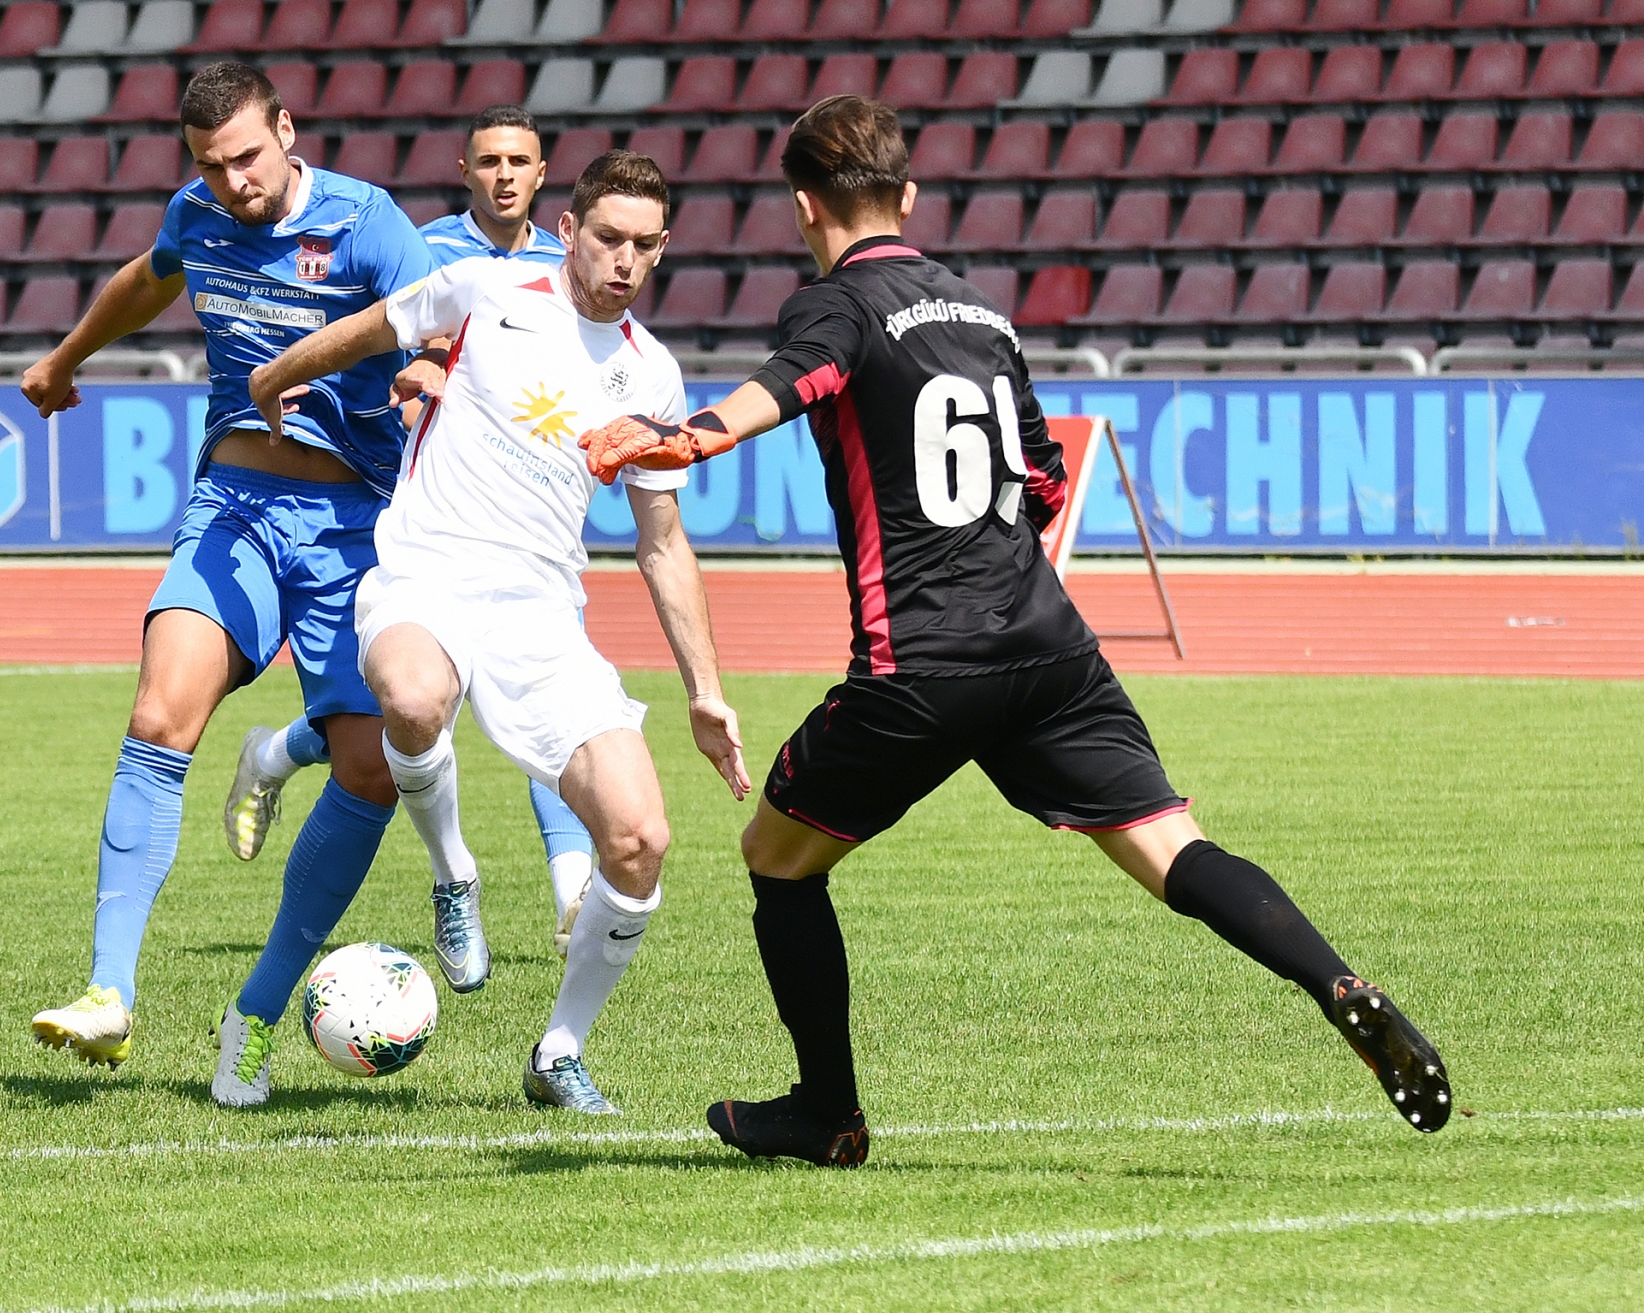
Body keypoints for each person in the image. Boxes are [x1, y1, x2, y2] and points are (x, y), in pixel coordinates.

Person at [580, 95, 1451, 1165]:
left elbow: (786, 387)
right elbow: (1043, 480)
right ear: (908, 196)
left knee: (777, 855)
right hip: (1049, 648)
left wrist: (681, 439)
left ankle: (828, 1111)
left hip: (921, 662)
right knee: (1174, 848)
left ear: (803, 206)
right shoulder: (981, 311)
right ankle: (1337, 981)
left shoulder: (835, 304)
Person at [235, 150, 749, 1113]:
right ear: (570, 231)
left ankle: (559, 1051)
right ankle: (453, 873)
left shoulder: (653, 374)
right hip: (426, 573)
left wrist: (705, 692)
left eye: (645, 246)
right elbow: (371, 328)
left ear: (663, 248)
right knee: (412, 698)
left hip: (543, 617)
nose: (625, 261)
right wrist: (273, 375)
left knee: (640, 839)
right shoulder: (485, 288)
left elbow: (663, 542)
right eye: (609, 238)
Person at [22, 62, 432, 1076]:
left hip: (355, 528)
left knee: (369, 768)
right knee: (159, 715)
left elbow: (440, 326)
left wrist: (425, 376)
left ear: (287, 130)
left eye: (247, 156)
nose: (233, 181)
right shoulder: (197, 213)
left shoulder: (368, 222)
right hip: (235, 505)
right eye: (211, 164)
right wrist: (67, 358)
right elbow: (146, 277)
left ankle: (255, 1010)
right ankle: (108, 993)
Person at [225, 106, 598, 966]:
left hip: (529, 525)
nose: (505, 174)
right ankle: (281, 752)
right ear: (465, 170)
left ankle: (573, 890)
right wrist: (412, 378)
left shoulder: (570, 267)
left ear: (544, 175)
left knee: (549, 702)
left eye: (520, 161)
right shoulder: (422, 251)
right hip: (429, 513)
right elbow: (381, 351)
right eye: (489, 160)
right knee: (418, 708)